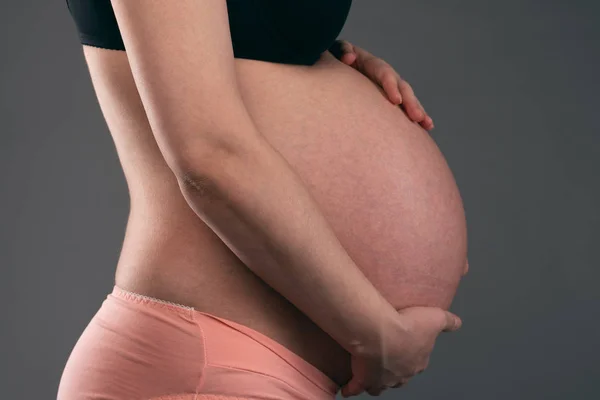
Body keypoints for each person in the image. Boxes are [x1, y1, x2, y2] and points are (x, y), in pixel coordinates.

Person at [58, 1, 469, 399]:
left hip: (235, 366)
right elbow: (209, 156)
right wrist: (376, 333)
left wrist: (326, 52)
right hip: (207, 368)